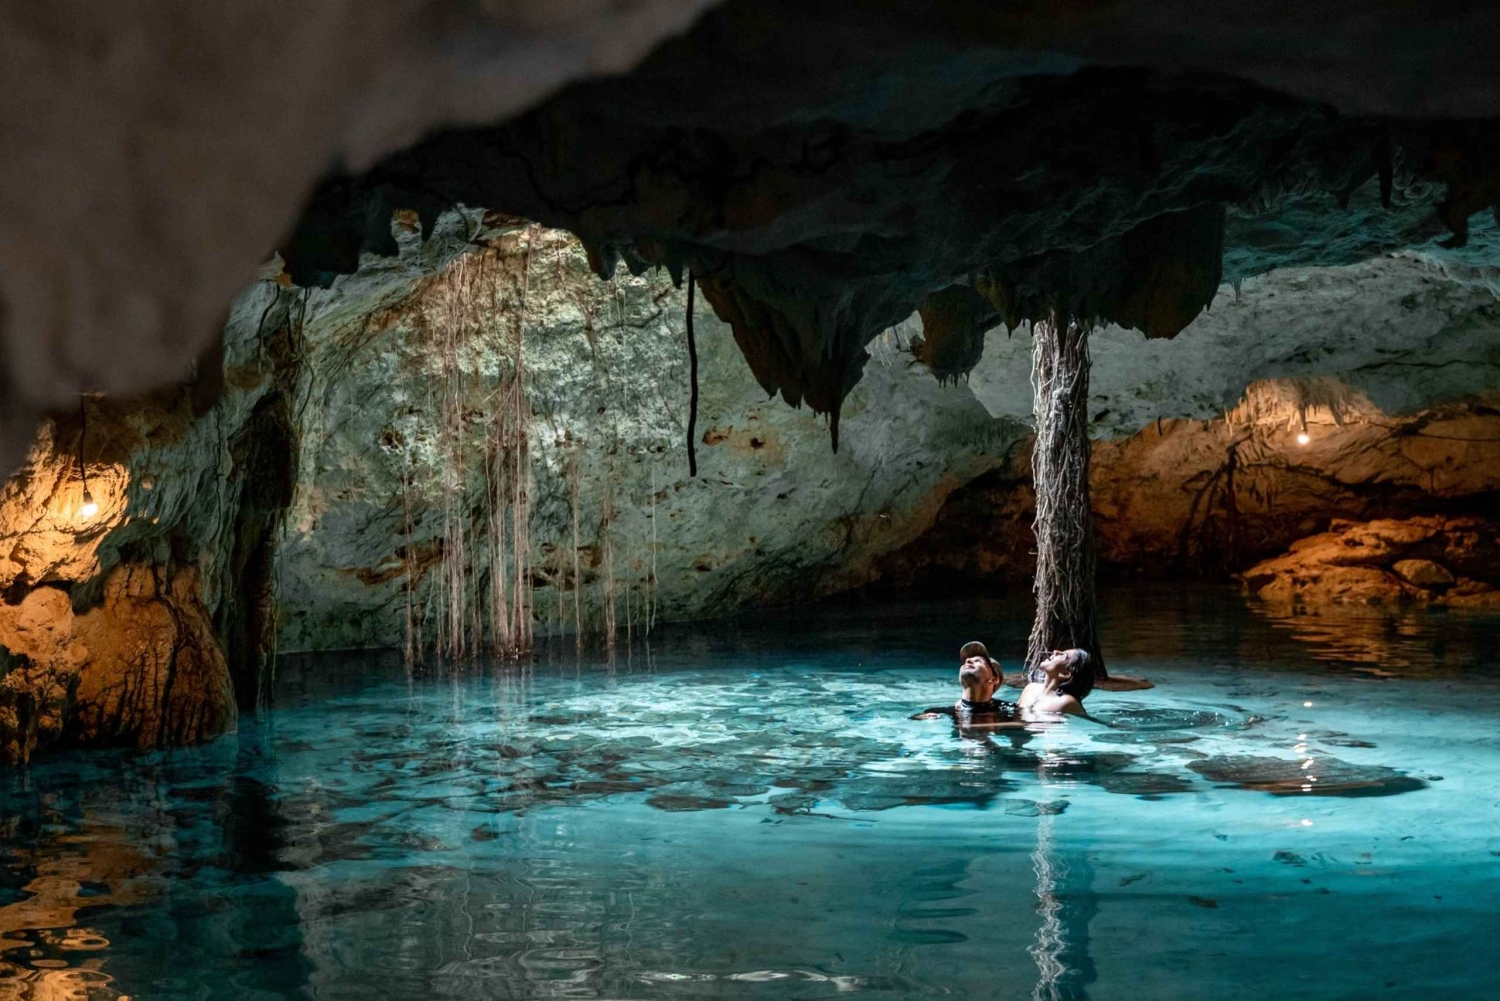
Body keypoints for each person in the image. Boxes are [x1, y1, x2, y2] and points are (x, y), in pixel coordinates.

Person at [912, 640, 1016, 723]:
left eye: (978, 661)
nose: (968, 661)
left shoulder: (1009, 710)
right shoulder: (937, 713)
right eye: (967, 660)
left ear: (993, 679)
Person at [1018, 649, 1093, 716]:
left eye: (1064, 655)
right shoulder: (1031, 688)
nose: (1055, 652)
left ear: (1065, 674)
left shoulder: (1066, 702)